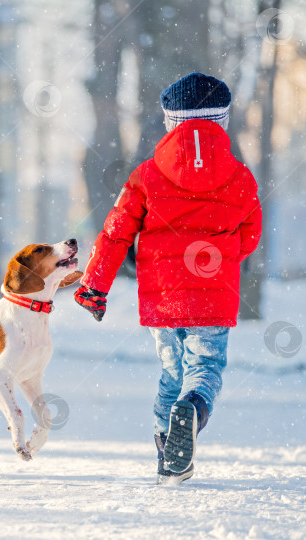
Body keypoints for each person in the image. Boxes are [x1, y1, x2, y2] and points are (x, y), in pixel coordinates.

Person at [74, 72, 262, 484]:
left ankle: (166, 449)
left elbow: (116, 230)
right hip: (214, 294)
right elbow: (250, 235)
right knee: (205, 367)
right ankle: (191, 410)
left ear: (171, 123)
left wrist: (94, 285)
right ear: (223, 122)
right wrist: (223, 259)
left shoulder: (147, 175)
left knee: (170, 372)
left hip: (163, 296)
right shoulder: (240, 177)